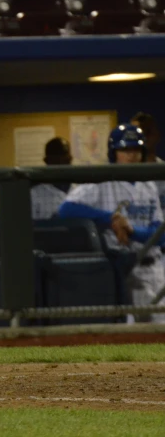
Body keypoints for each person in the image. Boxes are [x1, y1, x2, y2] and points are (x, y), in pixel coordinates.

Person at [59, 124, 165, 323]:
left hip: (153, 268)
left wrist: (132, 231)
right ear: (113, 153)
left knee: (160, 332)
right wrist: (111, 219)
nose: (132, 156)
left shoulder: (149, 184)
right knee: (127, 334)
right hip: (122, 268)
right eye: (125, 150)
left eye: (136, 150)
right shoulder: (101, 180)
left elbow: (161, 234)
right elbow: (66, 209)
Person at [31, 137, 73, 220]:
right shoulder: (34, 194)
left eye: (66, 159)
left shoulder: (81, 189)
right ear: (47, 161)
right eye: (57, 160)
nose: (62, 163)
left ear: (70, 159)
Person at [130, 111, 165, 209]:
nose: (144, 138)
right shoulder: (122, 174)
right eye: (138, 133)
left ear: (157, 135)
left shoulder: (163, 168)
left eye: (147, 132)